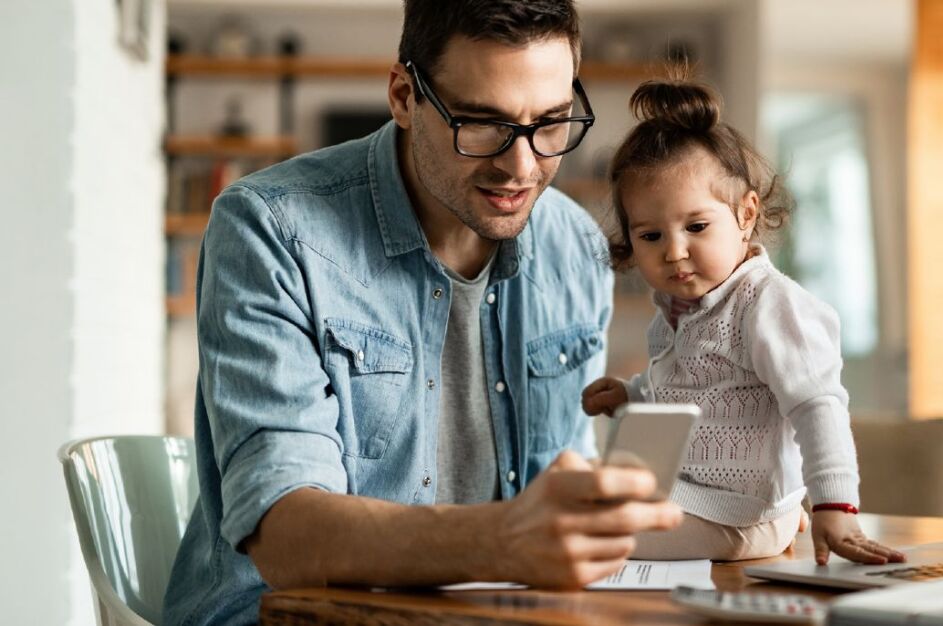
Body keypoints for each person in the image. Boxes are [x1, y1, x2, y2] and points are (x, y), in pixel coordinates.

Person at [163, 2, 682, 624]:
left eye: (550, 123)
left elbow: (563, 495)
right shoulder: (269, 228)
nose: (522, 167)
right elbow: (285, 533)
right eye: (482, 124)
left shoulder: (576, 245)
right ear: (404, 95)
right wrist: (503, 540)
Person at [580, 77, 907, 565]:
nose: (674, 251)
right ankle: (780, 515)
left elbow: (817, 405)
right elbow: (695, 390)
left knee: (592, 536)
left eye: (696, 226)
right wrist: (633, 393)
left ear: (746, 213)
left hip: (737, 515)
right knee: (582, 494)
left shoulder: (768, 306)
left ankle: (779, 520)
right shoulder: (677, 310)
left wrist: (834, 504)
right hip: (700, 495)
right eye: (650, 236)